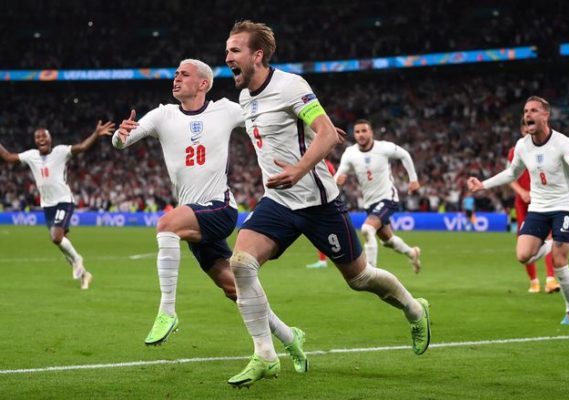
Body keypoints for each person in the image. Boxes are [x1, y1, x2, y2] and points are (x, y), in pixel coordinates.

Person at [224, 20, 430, 388]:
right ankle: (266, 354)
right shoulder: (244, 98)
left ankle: (415, 310)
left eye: (235, 50)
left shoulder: (290, 85)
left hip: (318, 202)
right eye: (227, 51)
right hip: (278, 202)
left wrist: (301, 168)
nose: (228, 58)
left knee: (361, 278)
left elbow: (325, 133)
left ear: (258, 55)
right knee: (241, 264)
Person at [112, 59, 307, 373]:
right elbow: (123, 141)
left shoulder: (227, 110)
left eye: (184, 74)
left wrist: (309, 124)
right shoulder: (163, 115)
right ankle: (290, 336)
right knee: (235, 290)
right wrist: (120, 135)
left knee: (166, 224)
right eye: (175, 73)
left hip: (219, 209)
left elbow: (267, 118)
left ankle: (167, 311)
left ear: (203, 84)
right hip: (195, 218)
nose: (176, 78)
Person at [467, 96, 569, 325]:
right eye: (525, 111)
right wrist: (483, 184)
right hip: (538, 207)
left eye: (533, 110)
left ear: (545, 116)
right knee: (523, 255)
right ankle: (551, 243)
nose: (527, 114)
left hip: (564, 205)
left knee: (560, 261)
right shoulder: (522, 146)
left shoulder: (562, 142)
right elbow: (511, 173)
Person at [0, 122, 114, 289]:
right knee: (63, 244)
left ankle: (78, 260)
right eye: (37, 137)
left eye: (44, 136)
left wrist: (96, 134)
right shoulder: (31, 156)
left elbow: (82, 147)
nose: (41, 139)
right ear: (35, 141)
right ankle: (84, 275)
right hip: (47, 205)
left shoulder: (61, 152)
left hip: (64, 201)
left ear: (50, 138)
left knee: (56, 237)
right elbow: (8, 157)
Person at [334, 119, 422, 273]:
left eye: (364, 131)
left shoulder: (383, 147)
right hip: (369, 203)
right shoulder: (350, 153)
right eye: (357, 132)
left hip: (388, 198)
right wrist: (338, 181)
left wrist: (413, 179)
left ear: (371, 132)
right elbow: (338, 177)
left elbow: (404, 155)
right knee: (387, 240)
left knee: (367, 229)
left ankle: (371, 273)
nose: (360, 135)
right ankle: (412, 253)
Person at [509, 118, 558, 294]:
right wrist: (521, 191)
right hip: (522, 204)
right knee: (524, 243)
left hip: (541, 202)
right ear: (522, 130)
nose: (528, 130)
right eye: (525, 127)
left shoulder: (547, 150)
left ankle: (551, 279)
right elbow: (510, 177)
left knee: (549, 239)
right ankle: (534, 281)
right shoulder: (516, 151)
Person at [306, 159, 336, 269]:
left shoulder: (325, 164)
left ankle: (325, 260)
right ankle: (323, 260)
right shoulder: (319, 163)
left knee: (322, 233)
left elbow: (332, 181)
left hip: (323, 203)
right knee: (319, 233)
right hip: (317, 202)